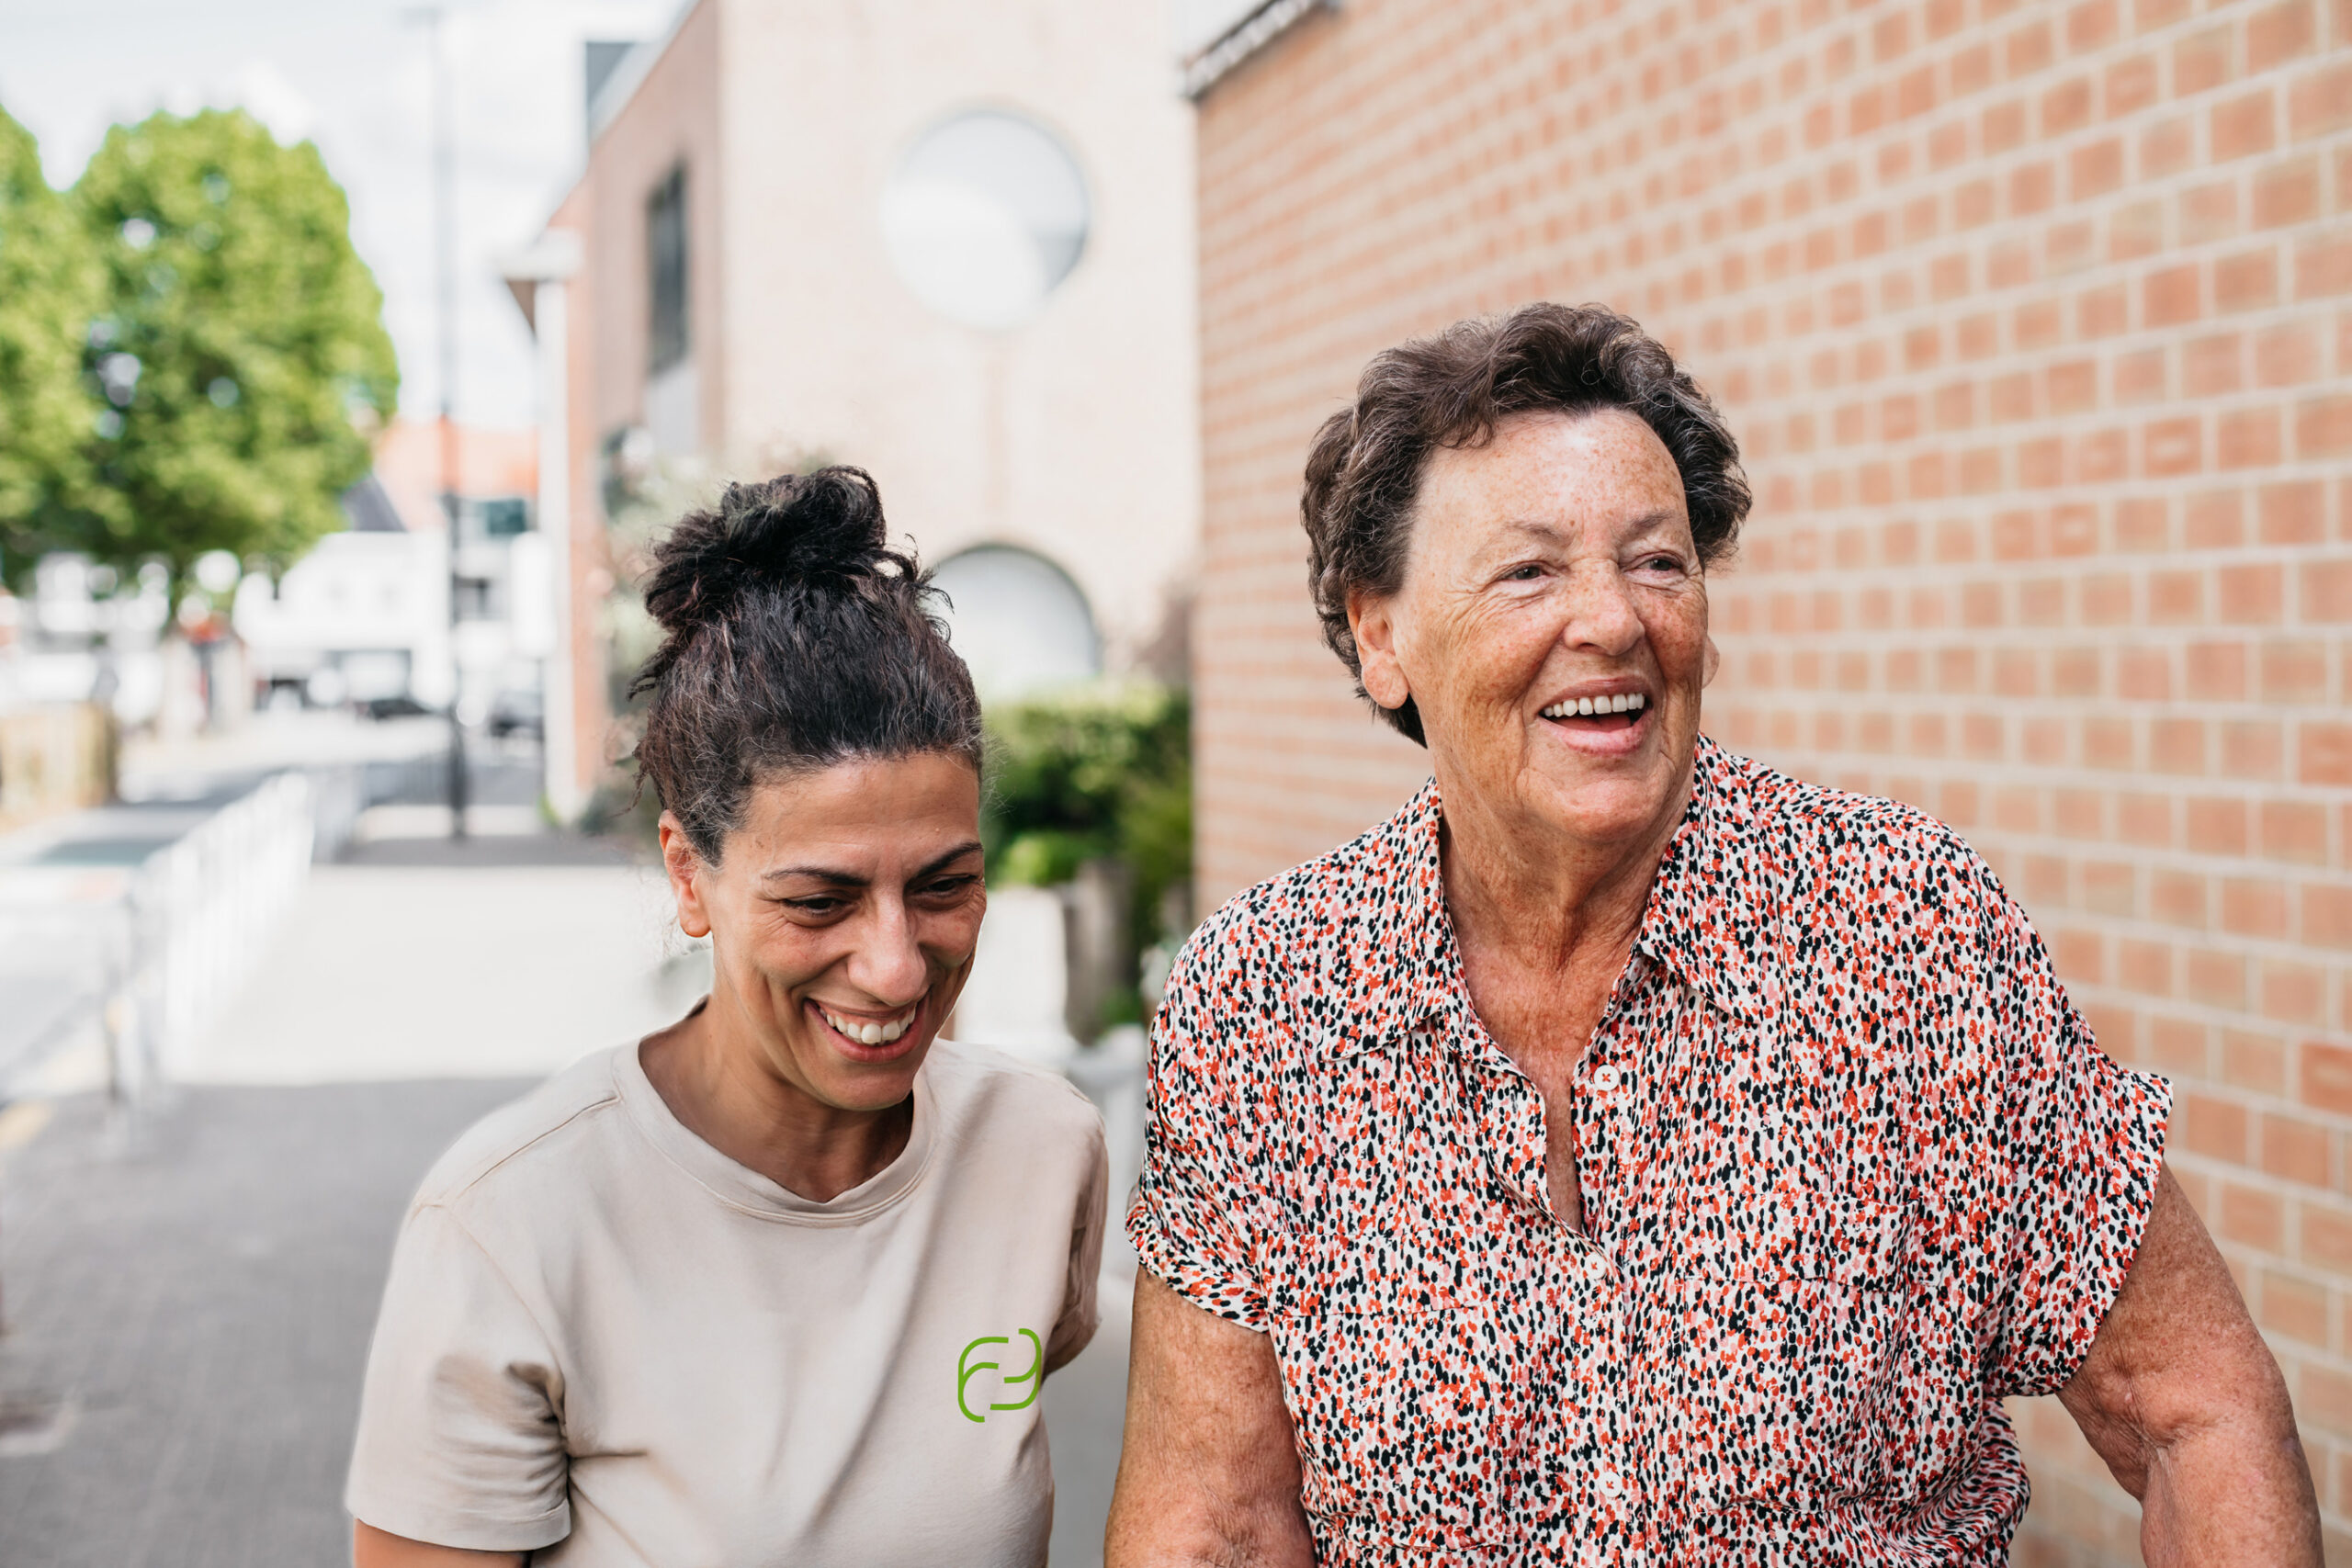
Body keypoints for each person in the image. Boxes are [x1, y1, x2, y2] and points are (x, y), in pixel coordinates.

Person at [1107, 305, 2319, 1564]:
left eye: (1657, 560)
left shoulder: (1907, 938)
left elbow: (2198, 1406)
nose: (1615, 620)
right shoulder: (1262, 1001)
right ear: (1381, 633)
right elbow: (1213, 1521)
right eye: (1530, 570)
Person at [346, 468, 1109, 1567]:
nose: (895, 972)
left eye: (942, 886)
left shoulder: (1042, 1150)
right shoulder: (508, 1225)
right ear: (688, 876)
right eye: (819, 900)